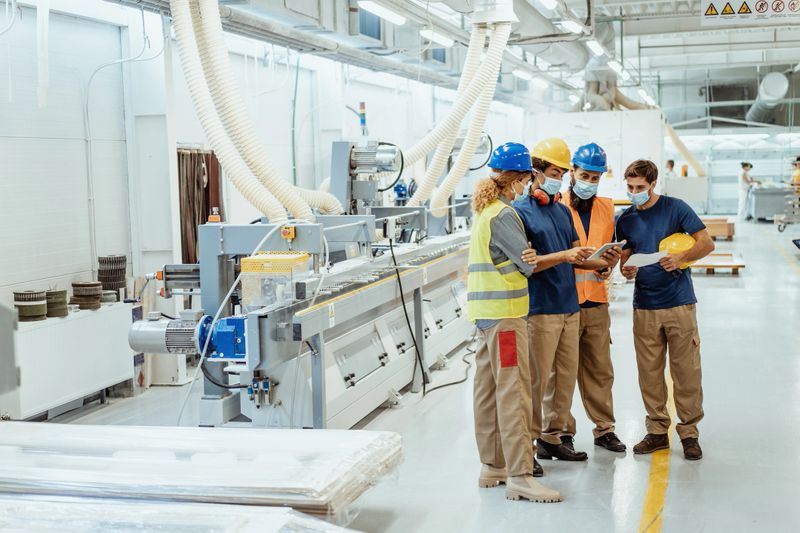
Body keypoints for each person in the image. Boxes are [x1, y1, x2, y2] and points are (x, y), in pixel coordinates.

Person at [467, 142, 562, 503]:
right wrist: (531, 257)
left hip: (484, 317)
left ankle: (492, 466)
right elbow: (527, 264)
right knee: (514, 392)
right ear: (517, 179)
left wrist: (527, 256)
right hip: (506, 317)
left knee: (488, 391)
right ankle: (520, 475)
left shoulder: (485, 211)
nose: (528, 186)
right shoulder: (505, 215)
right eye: (527, 180)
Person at [617, 159, 715, 461]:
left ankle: (689, 433)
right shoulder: (625, 219)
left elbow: (706, 243)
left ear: (653, 184)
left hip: (679, 303)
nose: (634, 192)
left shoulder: (676, 208)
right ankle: (657, 431)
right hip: (645, 305)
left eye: (640, 187)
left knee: (686, 371)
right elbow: (625, 259)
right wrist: (626, 270)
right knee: (649, 373)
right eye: (630, 186)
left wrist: (681, 258)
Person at [513, 138, 595, 466]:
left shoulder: (562, 211)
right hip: (540, 308)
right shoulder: (519, 212)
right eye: (554, 172)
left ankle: (552, 437)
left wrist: (600, 262)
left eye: (562, 174)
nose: (558, 179)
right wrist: (564, 256)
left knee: (564, 378)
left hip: (569, 306)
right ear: (535, 172)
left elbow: (575, 254)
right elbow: (528, 264)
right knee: (535, 382)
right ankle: (526, 448)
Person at [558, 142, 626, 453]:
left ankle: (604, 429)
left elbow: (608, 250)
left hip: (596, 300)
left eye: (595, 178)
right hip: (564, 302)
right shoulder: (556, 206)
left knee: (600, 369)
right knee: (560, 373)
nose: (589, 182)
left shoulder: (606, 208)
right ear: (572, 172)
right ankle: (560, 432)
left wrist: (608, 265)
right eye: (584, 175)